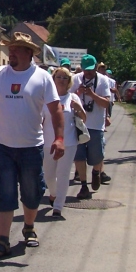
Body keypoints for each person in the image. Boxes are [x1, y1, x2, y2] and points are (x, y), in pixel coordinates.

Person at [0, 33, 64, 260]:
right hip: (3, 145)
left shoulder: (42, 77)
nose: (12, 52)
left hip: (31, 146)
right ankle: (3, 241)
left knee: (31, 192)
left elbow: (55, 109)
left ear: (29, 53)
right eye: (10, 48)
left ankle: (28, 227)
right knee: (4, 192)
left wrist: (59, 138)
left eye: (17, 48)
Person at [43, 67, 85, 218]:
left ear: (69, 82)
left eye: (64, 78)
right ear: (53, 79)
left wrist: (78, 108)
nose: (61, 80)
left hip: (69, 142)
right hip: (48, 141)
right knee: (48, 175)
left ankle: (58, 207)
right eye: (58, 77)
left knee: (63, 174)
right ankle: (53, 194)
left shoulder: (72, 98)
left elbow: (83, 119)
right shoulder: (46, 98)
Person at [71, 54, 112, 199]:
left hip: (96, 125)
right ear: (81, 68)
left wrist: (92, 94)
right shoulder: (76, 79)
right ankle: (83, 186)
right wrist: (78, 92)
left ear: (95, 68)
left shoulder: (103, 81)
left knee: (96, 155)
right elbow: (66, 98)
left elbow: (106, 103)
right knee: (79, 156)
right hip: (78, 124)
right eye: (85, 70)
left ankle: (96, 172)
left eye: (91, 70)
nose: (88, 73)